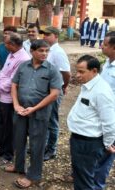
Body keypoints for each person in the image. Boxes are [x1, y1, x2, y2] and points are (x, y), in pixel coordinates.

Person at [3, 39, 62, 188]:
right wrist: (16, 104)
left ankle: (33, 175)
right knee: (19, 139)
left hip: (39, 113)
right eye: (41, 51)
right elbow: (14, 84)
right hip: (20, 110)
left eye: (47, 51)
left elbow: (55, 94)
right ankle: (18, 166)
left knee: (37, 144)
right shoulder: (23, 66)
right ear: (32, 51)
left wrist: (34, 108)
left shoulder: (52, 69)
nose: (44, 54)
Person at [67, 55, 115, 190]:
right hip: (80, 139)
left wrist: (107, 144)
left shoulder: (101, 91)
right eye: (77, 71)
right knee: (80, 179)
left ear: (94, 71)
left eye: (81, 72)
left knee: (85, 182)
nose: (77, 75)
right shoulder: (89, 84)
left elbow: (109, 122)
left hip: (88, 143)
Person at [0, 33, 31, 165]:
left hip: (10, 98)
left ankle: (8, 155)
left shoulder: (23, 58)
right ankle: (1, 149)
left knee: (9, 128)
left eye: (6, 43)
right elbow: (3, 72)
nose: (4, 45)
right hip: (1, 95)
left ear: (13, 45)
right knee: (1, 125)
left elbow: (13, 80)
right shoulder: (11, 54)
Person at [40, 26, 71, 161]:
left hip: (54, 90)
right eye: (44, 35)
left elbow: (66, 73)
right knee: (44, 119)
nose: (44, 37)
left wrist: (62, 87)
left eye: (48, 34)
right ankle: (44, 146)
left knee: (52, 120)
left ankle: (51, 149)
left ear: (56, 36)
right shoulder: (48, 51)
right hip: (44, 90)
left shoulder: (58, 52)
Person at [94, 31, 115, 190]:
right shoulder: (107, 63)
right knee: (98, 146)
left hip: (112, 116)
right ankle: (90, 177)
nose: (102, 46)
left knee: (108, 150)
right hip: (99, 113)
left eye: (105, 44)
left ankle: (97, 184)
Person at [0, 26, 17, 130]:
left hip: (12, 79)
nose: (6, 35)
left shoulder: (18, 48)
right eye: (5, 33)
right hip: (0, 77)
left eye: (9, 33)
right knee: (0, 102)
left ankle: (10, 125)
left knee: (10, 102)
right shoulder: (0, 46)